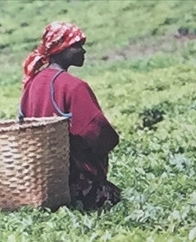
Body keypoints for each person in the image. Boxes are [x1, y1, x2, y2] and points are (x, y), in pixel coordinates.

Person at [20, 22, 121, 210]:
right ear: (60, 49)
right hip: (73, 181)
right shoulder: (74, 86)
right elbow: (97, 132)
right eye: (76, 46)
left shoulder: (33, 83)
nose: (83, 51)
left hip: (41, 180)